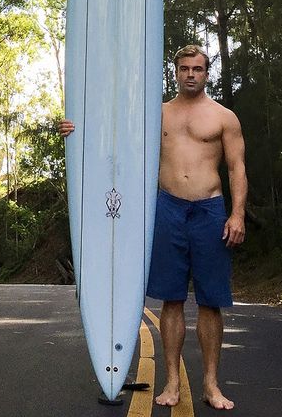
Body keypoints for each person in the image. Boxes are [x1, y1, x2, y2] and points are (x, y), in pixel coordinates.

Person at [60, 44, 247, 409]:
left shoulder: (224, 117)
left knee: (211, 302)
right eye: (184, 69)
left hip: (210, 210)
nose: (191, 74)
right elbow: (114, 136)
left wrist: (237, 214)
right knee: (171, 298)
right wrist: (75, 129)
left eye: (198, 69)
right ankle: (172, 382)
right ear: (175, 72)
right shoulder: (154, 114)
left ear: (208, 73)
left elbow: (237, 168)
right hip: (167, 208)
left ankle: (211, 384)